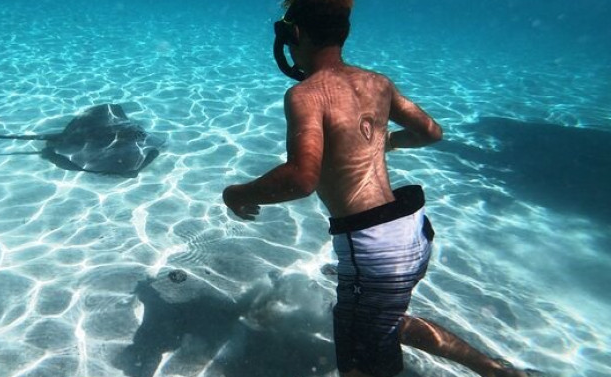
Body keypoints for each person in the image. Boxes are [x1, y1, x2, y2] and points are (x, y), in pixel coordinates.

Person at [222, 1, 537, 376]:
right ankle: (494, 370)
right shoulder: (378, 83)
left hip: (371, 250)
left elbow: (301, 178)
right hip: (413, 233)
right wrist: (390, 142)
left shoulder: (306, 94)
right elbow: (431, 132)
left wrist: (237, 193)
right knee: (385, 318)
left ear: (295, 35)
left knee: (362, 360)